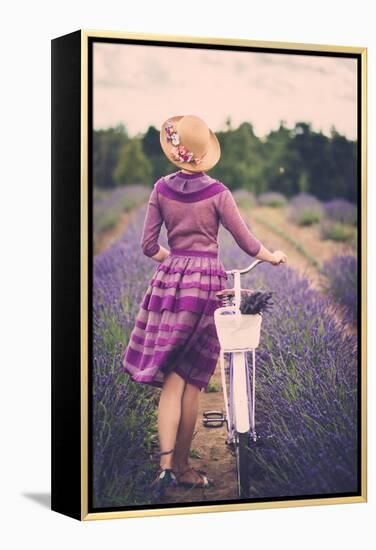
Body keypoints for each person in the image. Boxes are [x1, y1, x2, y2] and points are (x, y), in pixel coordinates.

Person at [122, 114, 287, 496]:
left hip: (169, 286)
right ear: (204, 154)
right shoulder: (218, 193)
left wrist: (176, 261)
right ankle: (182, 467)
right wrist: (273, 256)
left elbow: (148, 247)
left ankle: (165, 468)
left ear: (176, 151)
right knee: (193, 380)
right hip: (206, 287)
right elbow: (247, 242)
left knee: (171, 381)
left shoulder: (161, 189)